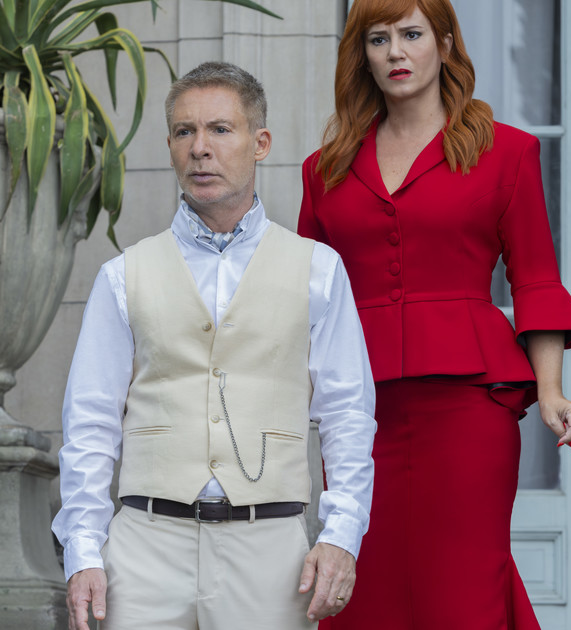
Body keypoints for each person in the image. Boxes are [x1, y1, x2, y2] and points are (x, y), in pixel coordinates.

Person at [298, 1, 571, 628]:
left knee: (463, 583)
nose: (396, 53)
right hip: (358, 414)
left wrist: (551, 392)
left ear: (445, 43)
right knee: (363, 582)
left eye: (412, 34)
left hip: (468, 408)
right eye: (379, 40)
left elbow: (535, 279)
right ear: (362, 56)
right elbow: (305, 299)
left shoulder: (507, 153)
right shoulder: (323, 170)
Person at [52, 61, 377, 630]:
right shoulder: (123, 275)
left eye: (220, 129)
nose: (200, 148)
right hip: (144, 548)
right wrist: (83, 549)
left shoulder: (318, 270)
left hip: (271, 550)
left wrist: (341, 535)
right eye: (185, 131)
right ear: (171, 148)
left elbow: (348, 413)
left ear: (260, 143)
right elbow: (90, 422)